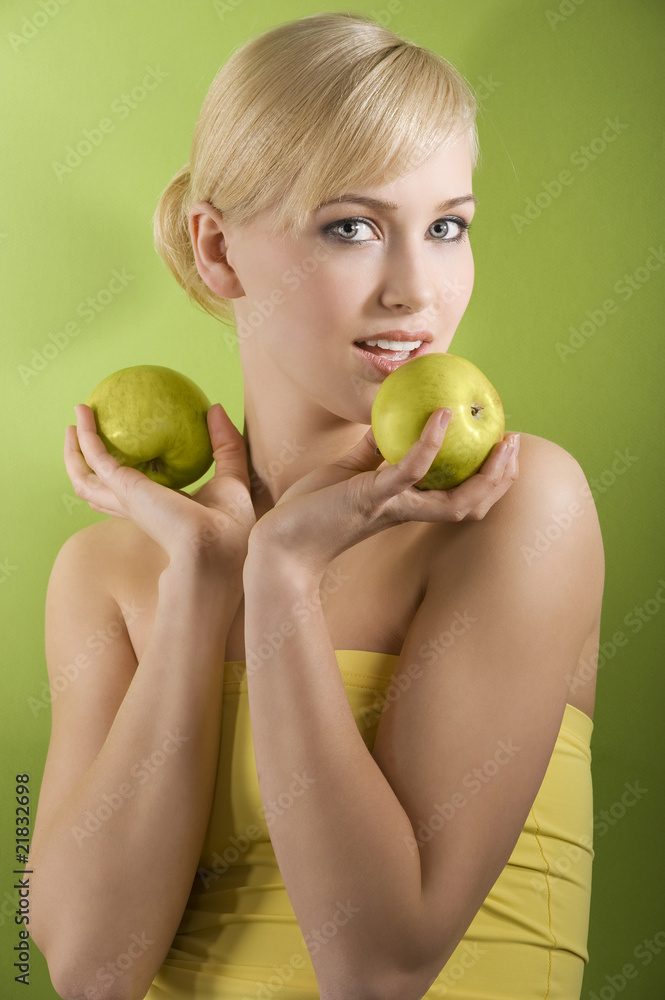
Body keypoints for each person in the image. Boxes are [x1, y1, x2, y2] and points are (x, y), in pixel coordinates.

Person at [29, 11, 605, 1000]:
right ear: (217, 251)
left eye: (446, 226)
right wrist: (208, 583)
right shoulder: (108, 575)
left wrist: (283, 579)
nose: (415, 290)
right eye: (353, 226)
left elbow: (378, 966)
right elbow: (88, 968)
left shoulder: (512, 508)